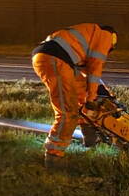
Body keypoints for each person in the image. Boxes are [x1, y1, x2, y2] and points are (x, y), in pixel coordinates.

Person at [31, 23, 117, 168]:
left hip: (54, 57)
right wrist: (91, 99)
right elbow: (95, 69)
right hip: (55, 59)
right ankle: (54, 158)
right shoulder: (106, 36)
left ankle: (91, 139)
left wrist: (97, 93)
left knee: (81, 94)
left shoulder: (90, 33)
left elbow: (87, 73)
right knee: (68, 112)